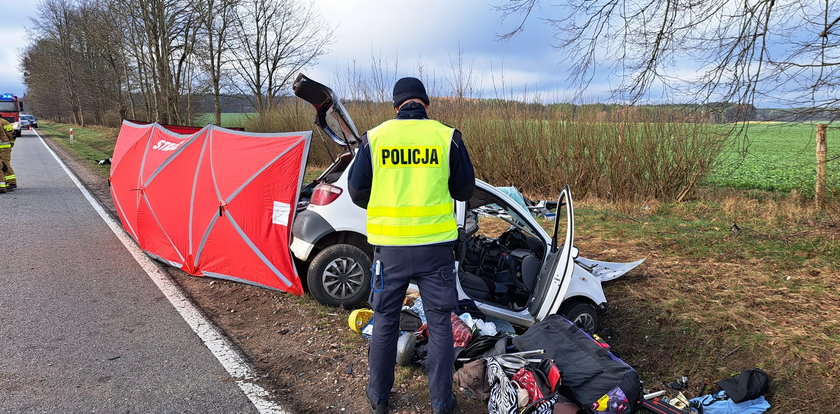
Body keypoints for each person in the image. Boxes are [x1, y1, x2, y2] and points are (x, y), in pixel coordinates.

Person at [348, 77, 475, 414]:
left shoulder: (375, 138)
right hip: (436, 250)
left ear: (395, 106)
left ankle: (378, 398)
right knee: (439, 324)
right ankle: (442, 403)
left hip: (390, 250)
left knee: (386, 320)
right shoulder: (447, 137)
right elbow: (465, 190)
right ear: (426, 105)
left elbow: (358, 192)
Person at [0, 118, 15, 193]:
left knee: (5, 164)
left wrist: (11, 143)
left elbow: (11, 134)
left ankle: (11, 182)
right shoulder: (4, 122)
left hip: (4, 148)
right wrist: (12, 143)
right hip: (4, 146)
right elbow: (12, 134)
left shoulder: (3, 122)